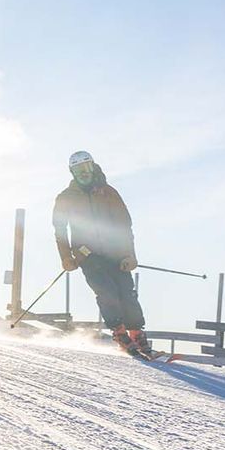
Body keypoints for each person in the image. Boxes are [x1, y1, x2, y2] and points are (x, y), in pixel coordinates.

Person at [52, 150, 148, 356]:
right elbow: (60, 230)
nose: (84, 173)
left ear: (93, 167)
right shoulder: (65, 198)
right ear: (72, 172)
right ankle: (119, 332)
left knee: (127, 292)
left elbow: (124, 225)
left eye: (86, 167)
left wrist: (130, 255)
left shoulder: (109, 192)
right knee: (106, 291)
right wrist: (66, 257)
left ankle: (136, 334)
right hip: (88, 254)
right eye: (79, 169)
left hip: (115, 252)